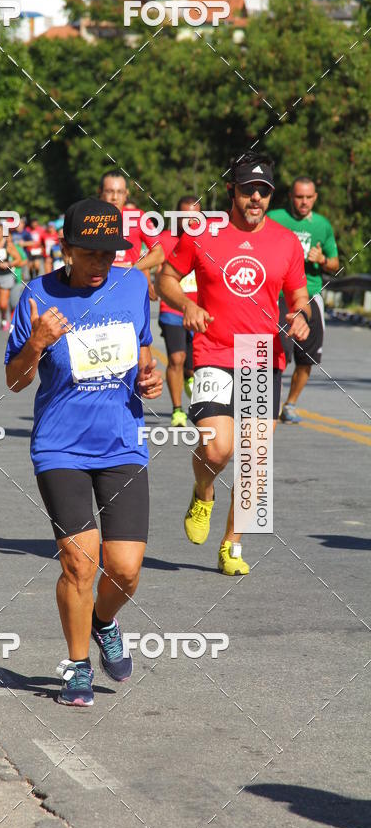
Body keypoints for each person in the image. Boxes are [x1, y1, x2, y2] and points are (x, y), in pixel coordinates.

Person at [5, 198, 163, 706]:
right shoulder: (37, 295)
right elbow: (15, 381)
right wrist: (36, 343)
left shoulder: (132, 284)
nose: (101, 263)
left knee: (126, 568)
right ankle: (76, 665)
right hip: (61, 448)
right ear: (67, 250)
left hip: (122, 443)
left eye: (109, 253)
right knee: (79, 563)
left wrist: (150, 375)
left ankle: (103, 620)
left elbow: (143, 348)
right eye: (90, 253)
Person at [156, 152, 311, 576]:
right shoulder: (202, 232)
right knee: (217, 447)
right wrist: (187, 304)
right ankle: (203, 490)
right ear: (232, 190)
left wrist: (300, 314)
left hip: (260, 353)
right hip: (214, 348)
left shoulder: (286, 242)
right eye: (248, 189)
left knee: (254, 459)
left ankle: (231, 545)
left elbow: (299, 295)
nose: (256, 198)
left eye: (263, 191)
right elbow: (166, 277)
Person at [268, 178, 339, 423]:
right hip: (278, 295)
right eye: (299, 197)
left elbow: (335, 263)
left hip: (310, 295)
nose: (304, 202)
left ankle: (290, 404)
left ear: (315, 197)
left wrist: (322, 260)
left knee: (306, 358)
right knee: (277, 352)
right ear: (291, 196)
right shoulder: (274, 218)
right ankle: (267, 402)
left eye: (309, 197)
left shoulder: (322, 225)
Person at [156, 196, 201, 427]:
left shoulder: (207, 238)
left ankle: (188, 377)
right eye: (185, 216)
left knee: (193, 366)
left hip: (199, 310)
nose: (190, 221)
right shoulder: (165, 239)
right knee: (176, 358)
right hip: (172, 308)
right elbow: (151, 262)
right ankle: (177, 410)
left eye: (195, 216)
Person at [98, 170, 165, 276]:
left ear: (126, 193)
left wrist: (131, 269)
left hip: (128, 280)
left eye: (120, 192)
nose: (115, 197)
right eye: (109, 191)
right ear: (100, 192)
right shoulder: (88, 217)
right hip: (97, 280)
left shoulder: (138, 217)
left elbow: (159, 254)